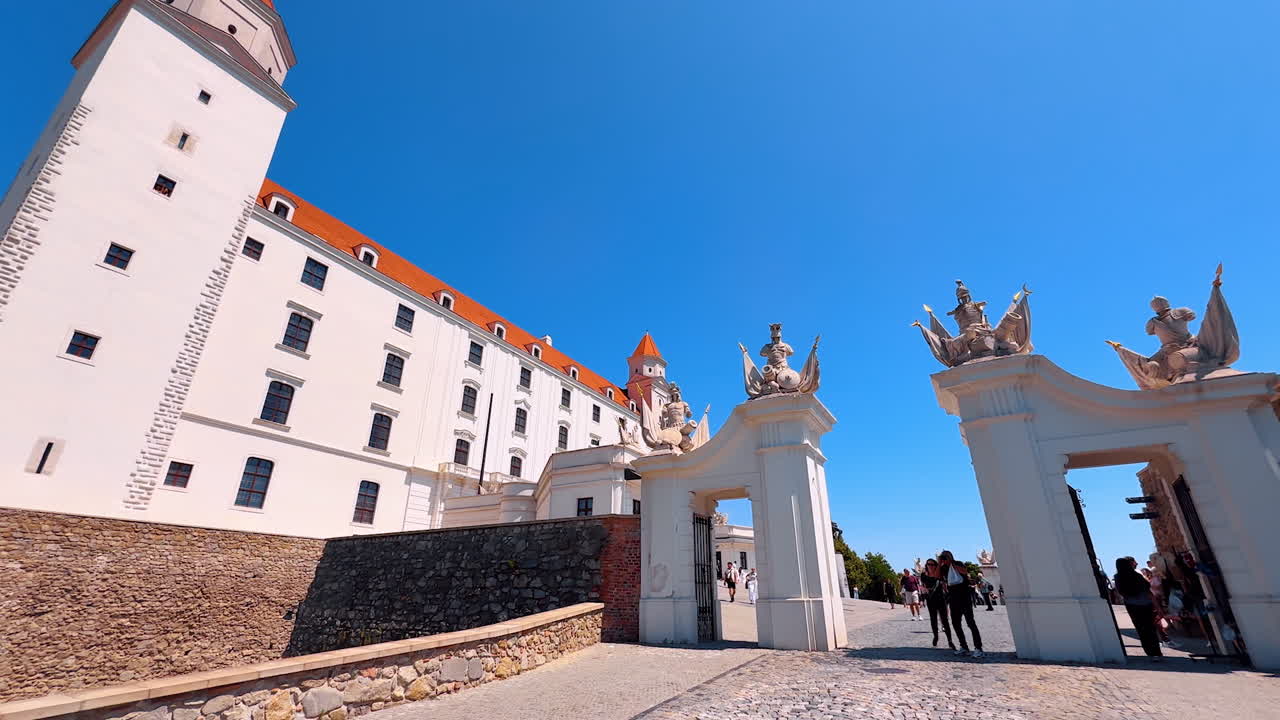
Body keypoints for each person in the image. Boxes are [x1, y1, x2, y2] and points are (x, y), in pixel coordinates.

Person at [1113, 556, 1162, 658]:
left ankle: (1150, 653)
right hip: (1145, 604)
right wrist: (1158, 608)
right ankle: (1156, 652)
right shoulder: (1137, 576)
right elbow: (1148, 591)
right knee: (1150, 628)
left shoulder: (1117, 578)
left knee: (1141, 629)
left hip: (1132, 605)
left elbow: (1120, 592)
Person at [939, 550, 983, 658]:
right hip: (953, 598)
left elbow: (964, 571)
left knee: (970, 623)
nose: (945, 559)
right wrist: (939, 564)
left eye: (946, 557)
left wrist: (952, 563)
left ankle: (978, 648)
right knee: (955, 623)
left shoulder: (958, 563)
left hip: (964, 597)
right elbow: (938, 576)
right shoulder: (944, 568)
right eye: (943, 557)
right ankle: (964, 646)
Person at [921, 558, 955, 649]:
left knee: (945, 620)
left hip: (941, 599)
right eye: (928, 564)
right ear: (926, 565)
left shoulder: (940, 574)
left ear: (935, 566)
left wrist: (940, 564)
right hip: (930, 599)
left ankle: (950, 640)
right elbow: (927, 583)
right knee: (933, 619)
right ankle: (936, 636)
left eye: (932, 564)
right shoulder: (923, 575)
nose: (930, 566)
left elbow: (940, 577)